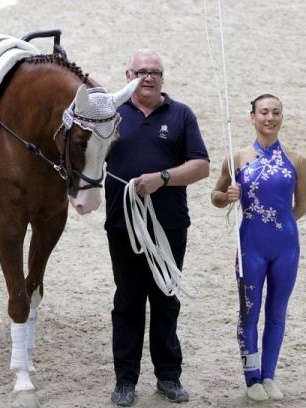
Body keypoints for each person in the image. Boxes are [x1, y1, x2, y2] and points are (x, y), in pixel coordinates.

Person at [104, 48, 210, 406]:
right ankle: (125, 381)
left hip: (169, 223)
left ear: (163, 78)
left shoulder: (180, 115)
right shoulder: (111, 114)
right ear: (127, 75)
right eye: (141, 71)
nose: (148, 77)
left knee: (165, 297)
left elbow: (201, 166)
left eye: (155, 72)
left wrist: (163, 177)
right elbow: (83, 156)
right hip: (123, 223)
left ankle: (168, 376)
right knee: (128, 300)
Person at [210, 94, 306, 401]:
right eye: (264, 112)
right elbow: (215, 195)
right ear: (252, 117)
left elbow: (301, 205)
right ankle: (251, 377)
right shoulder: (236, 157)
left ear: (282, 117)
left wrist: (278, 226)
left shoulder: (297, 161)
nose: (270, 117)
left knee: (277, 312)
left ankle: (269, 376)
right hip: (249, 246)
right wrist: (226, 196)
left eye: (276, 112)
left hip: (286, 248)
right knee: (249, 312)